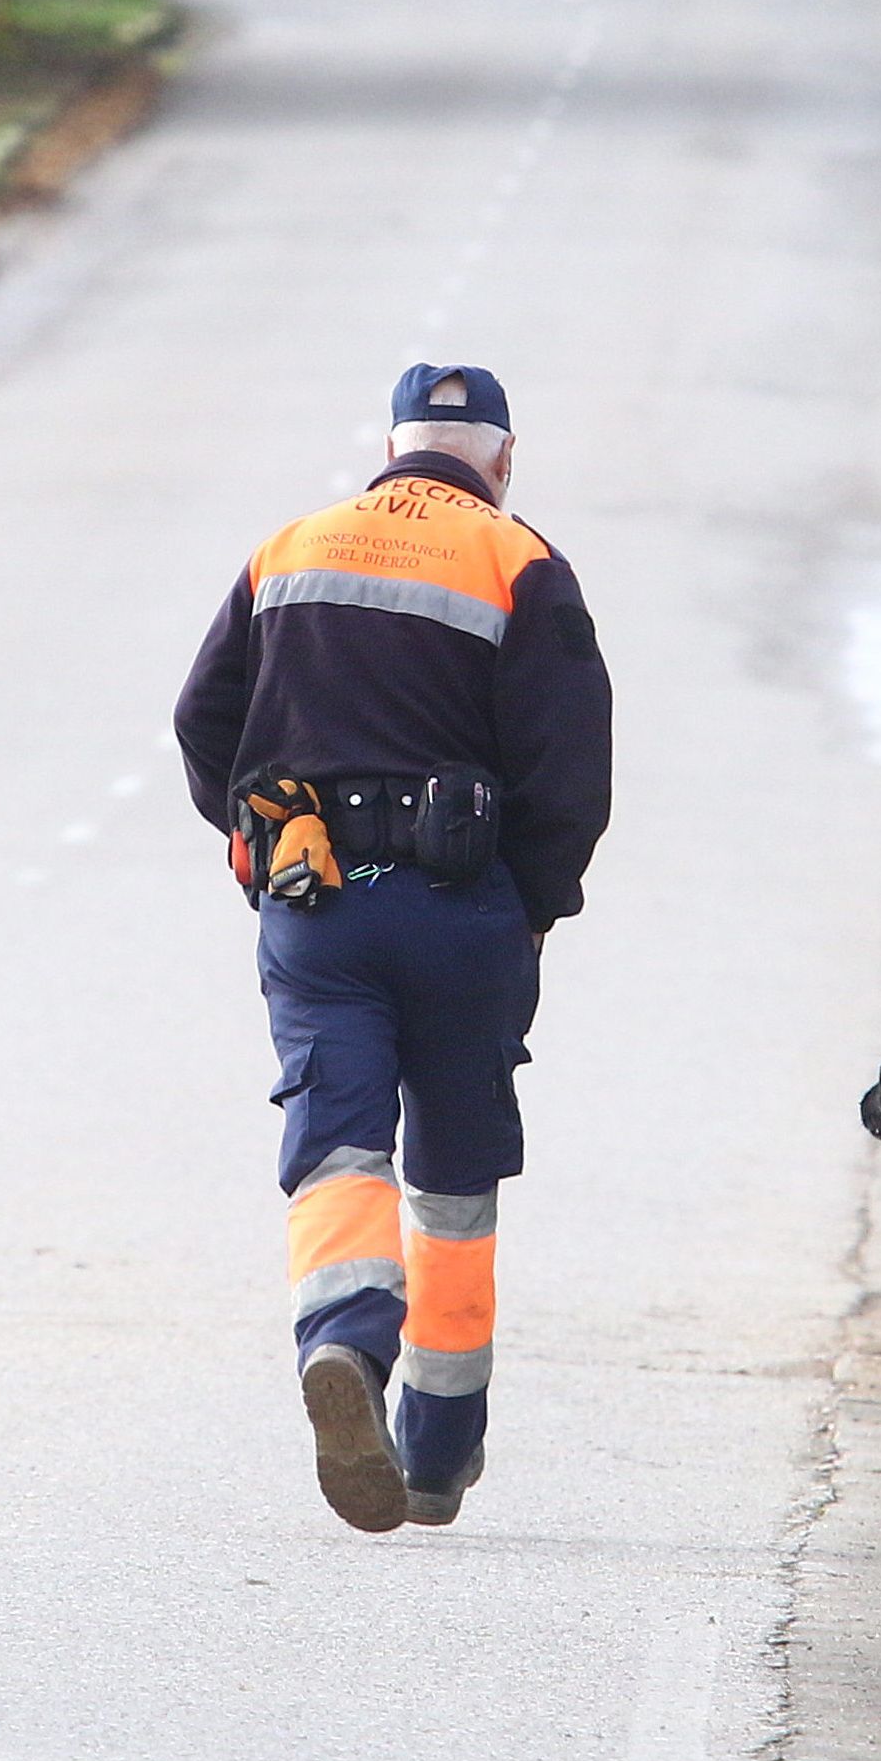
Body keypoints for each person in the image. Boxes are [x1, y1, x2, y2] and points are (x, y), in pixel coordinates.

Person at [173, 363, 614, 1535]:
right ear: (502, 460)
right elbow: (570, 766)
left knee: (337, 1143)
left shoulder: (292, 547)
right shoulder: (518, 560)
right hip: (465, 908)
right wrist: (536, 904)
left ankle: (346, 1348)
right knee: (456, 1179)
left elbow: (201, 716)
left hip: (316, 902)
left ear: (386, 446)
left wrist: (254, 838)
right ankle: (435, 1450)